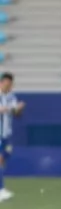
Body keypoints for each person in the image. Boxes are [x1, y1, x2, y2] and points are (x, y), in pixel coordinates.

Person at [0, 71, 24, 202]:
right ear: (2, 82)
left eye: (11, 84)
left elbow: (16, 114)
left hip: (6, 134)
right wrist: (12, 108)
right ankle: (1, 189)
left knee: (5, 157)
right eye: (8, 84)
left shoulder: (11, 96)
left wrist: (19, 109)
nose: (9, 86)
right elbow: (2, 109)